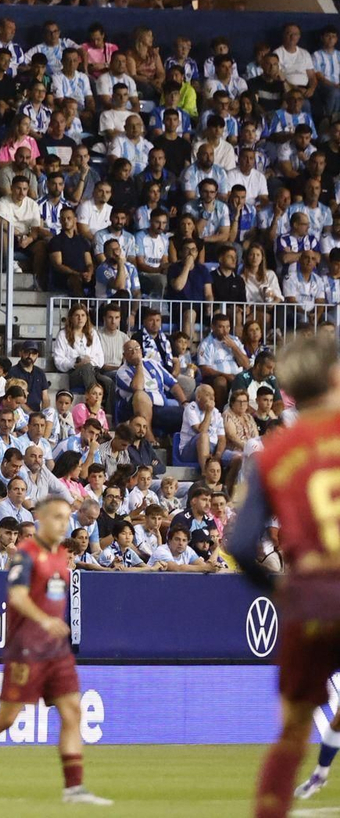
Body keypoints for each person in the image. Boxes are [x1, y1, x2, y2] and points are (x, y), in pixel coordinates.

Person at [232, 334, 340, 817]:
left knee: (293, 730)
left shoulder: (272, 455)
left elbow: (236, 544)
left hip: (310, 598)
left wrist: (281, 590)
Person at [0, 495, 109, 806]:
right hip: (26, 648)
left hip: (56, 650)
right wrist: (46, 621)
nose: (63, 523)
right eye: (56, 517)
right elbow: (17, 597)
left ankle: (74, 788)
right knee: (8, 717)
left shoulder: (62, 556)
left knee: (72, 712)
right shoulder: (27, 555)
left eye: (66, 518)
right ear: (41, 519)